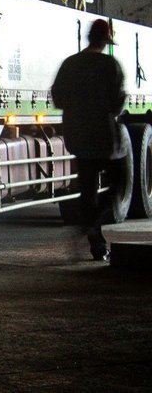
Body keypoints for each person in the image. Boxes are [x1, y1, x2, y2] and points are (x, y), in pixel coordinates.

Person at [51, 18, 128, 261]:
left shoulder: (70, 64)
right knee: (119, 182)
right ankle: (92, 223)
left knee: (88, 190)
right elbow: (116, 106)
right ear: (105, 41)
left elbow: (58, 99)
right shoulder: (110, 66)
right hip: (104, 139)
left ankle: (96, 242)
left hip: (78, 138)